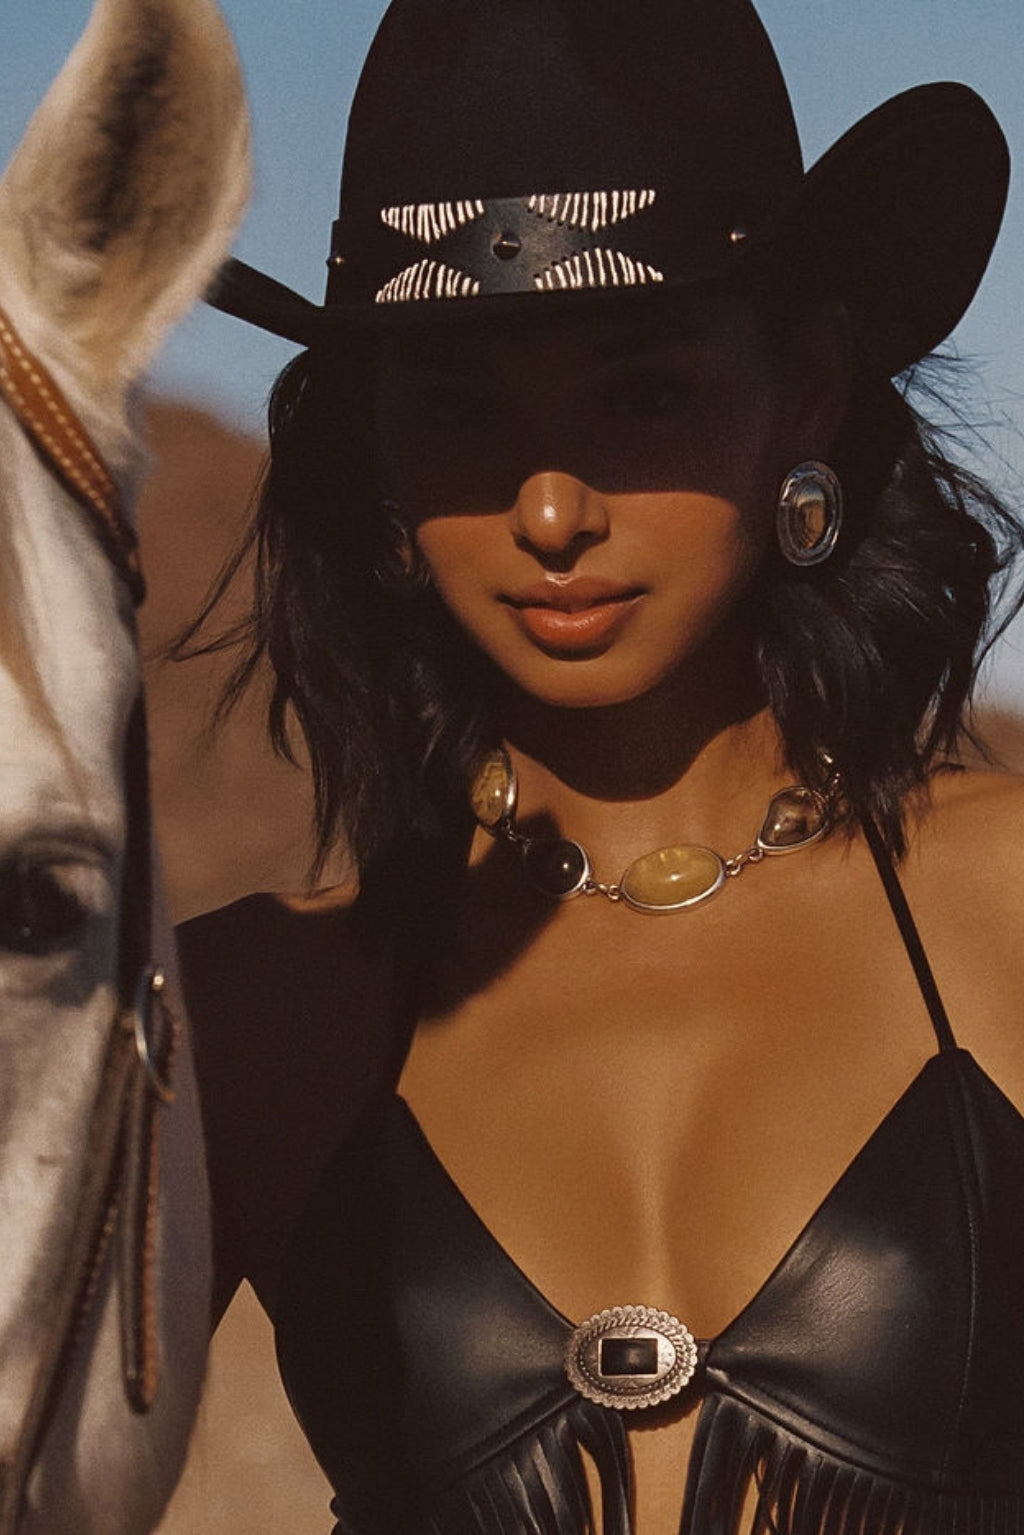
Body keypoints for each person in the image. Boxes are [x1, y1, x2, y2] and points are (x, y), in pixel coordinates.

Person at [181, 0, 1024, 1530]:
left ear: (808, 395)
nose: (553, 510)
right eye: (457, 412)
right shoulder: (253, 1021)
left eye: (640, 394)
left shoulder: (1007, 905)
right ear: (376, 450)